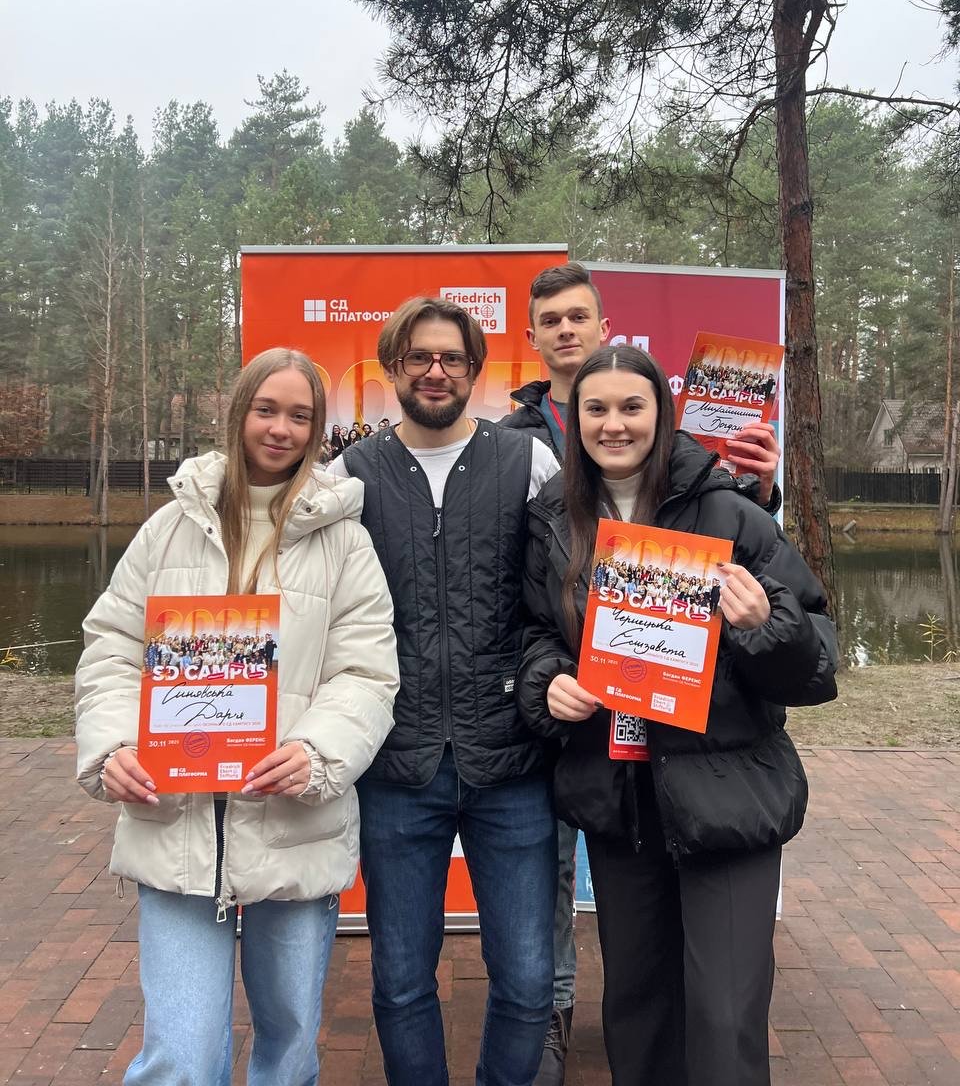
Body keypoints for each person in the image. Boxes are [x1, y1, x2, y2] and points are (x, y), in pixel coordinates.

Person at [74, 347, 400, 1086]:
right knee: (181, 1058)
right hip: (176, 825)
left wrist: (317, 752)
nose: (280, 429)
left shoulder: (346, 542)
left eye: (300, 416)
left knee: (288, 1051)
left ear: (317, 430)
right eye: (266, 409)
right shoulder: (168, 529)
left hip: (292, 825)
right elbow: (111, 649)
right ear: (237, 413)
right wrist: (113, 746)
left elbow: (366, 672)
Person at [517, 345, 838, 1086]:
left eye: (632, 406)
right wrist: (548, 682)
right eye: (597, 408)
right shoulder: (552, 519)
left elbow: (820, 653)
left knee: (725, 1015)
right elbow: (534, 631)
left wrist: (766, 623)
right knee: (638, 1008)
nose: (614, 424)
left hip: (728, 794)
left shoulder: (729, 512)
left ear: (661, 415)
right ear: (575, 419)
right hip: (621, 794)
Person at [328, 296, 560, 1086]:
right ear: (393, 367)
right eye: (419, 358)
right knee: (399, 980)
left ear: (474, 370)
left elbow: (569, 594)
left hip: (511, 761)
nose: (436, 371)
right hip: (398, 762)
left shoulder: (528, 463)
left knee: (527, 980)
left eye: (452, 358)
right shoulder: (350, 475)